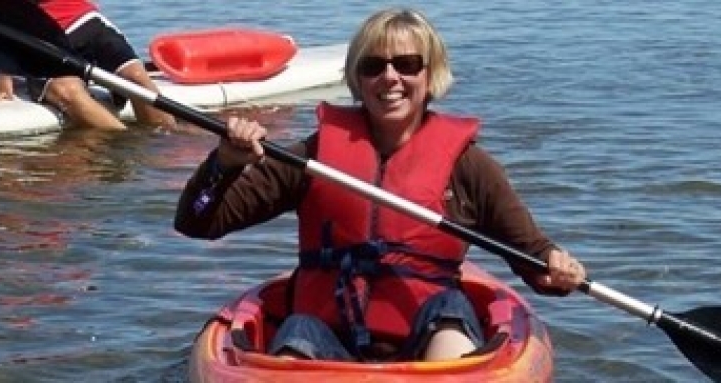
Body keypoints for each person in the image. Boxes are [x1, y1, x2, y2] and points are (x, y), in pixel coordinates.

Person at [174, 7, 587, 365]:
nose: (390, 78)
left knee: (450, 310)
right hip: (326, 339)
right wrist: (223, 164)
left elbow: (536, 262)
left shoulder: (470, 168)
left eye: (407, 64)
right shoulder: (313, 157)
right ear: (357, 78)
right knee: (299, 328)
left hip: (430, 333)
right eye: (373, 66)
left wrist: (558, 266)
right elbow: (197, 222)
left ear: (430, 74)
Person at [0, 0, 174, 130]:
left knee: (137, 78)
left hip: (85, 20)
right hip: (39, 37)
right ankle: (123, 149)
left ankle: (164, 147)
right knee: (68, 90)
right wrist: (4, 74)